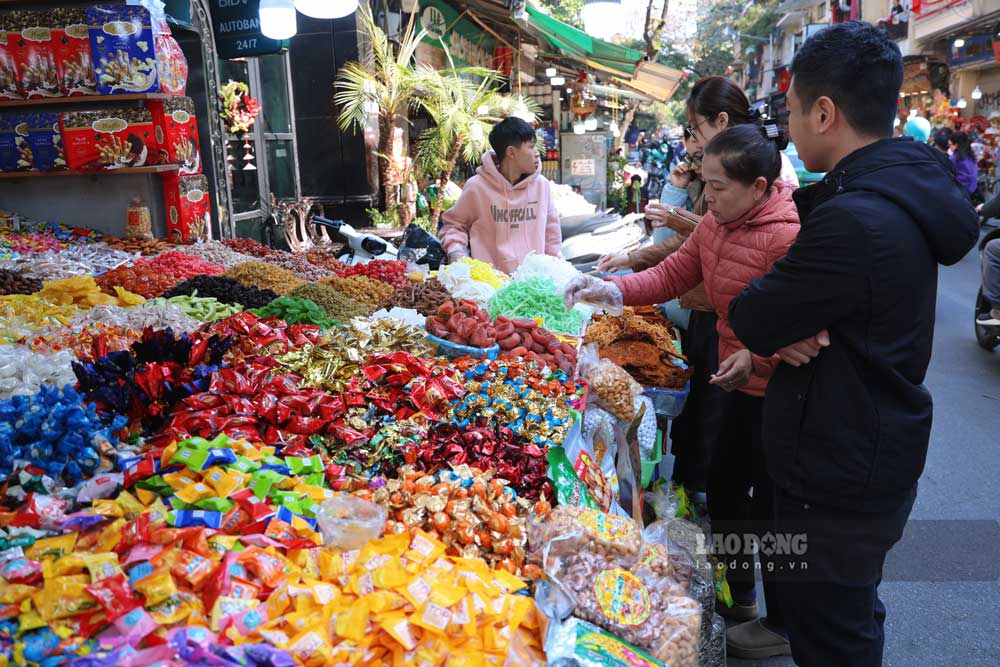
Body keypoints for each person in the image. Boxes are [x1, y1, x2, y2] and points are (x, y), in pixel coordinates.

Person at [727, 22, 979, 667]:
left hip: (838, 460)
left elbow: (755, 314)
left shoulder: (854, 218)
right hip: (863, 446)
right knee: (847, 610)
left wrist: (786, 321)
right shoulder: (892, 191)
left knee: (833, 631)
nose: (788, 128)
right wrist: (797, 321)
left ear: (824, 111)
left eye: (789, 111)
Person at [565, 123, 801, 659]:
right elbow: (673, 273)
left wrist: (760, 358)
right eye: (706, 183)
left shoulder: (788, 234)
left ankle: (785, 621)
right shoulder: (716, 223)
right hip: (733, 376)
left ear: (761, 186)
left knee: (772, 506)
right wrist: (613, 289)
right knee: (722, 490)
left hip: (784, 387)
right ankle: (741, 598)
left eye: (719, 187)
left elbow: (803, 320)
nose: (708, 198)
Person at [438, 117, 560, 274]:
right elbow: (454, 225)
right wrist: (456, 252)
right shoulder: (477, 187)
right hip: (489, 286)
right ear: (511, 152)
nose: (537, 154)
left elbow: (552, 235)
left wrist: (556, 271)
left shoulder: (541, 185)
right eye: (530, 147)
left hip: (534, 284)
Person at [949, 131, 979, 197]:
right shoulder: (971, 155)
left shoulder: (955, 157)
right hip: (973, 190)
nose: (949, 147)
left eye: (950, 144)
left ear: (956, 145)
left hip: (961, 192)